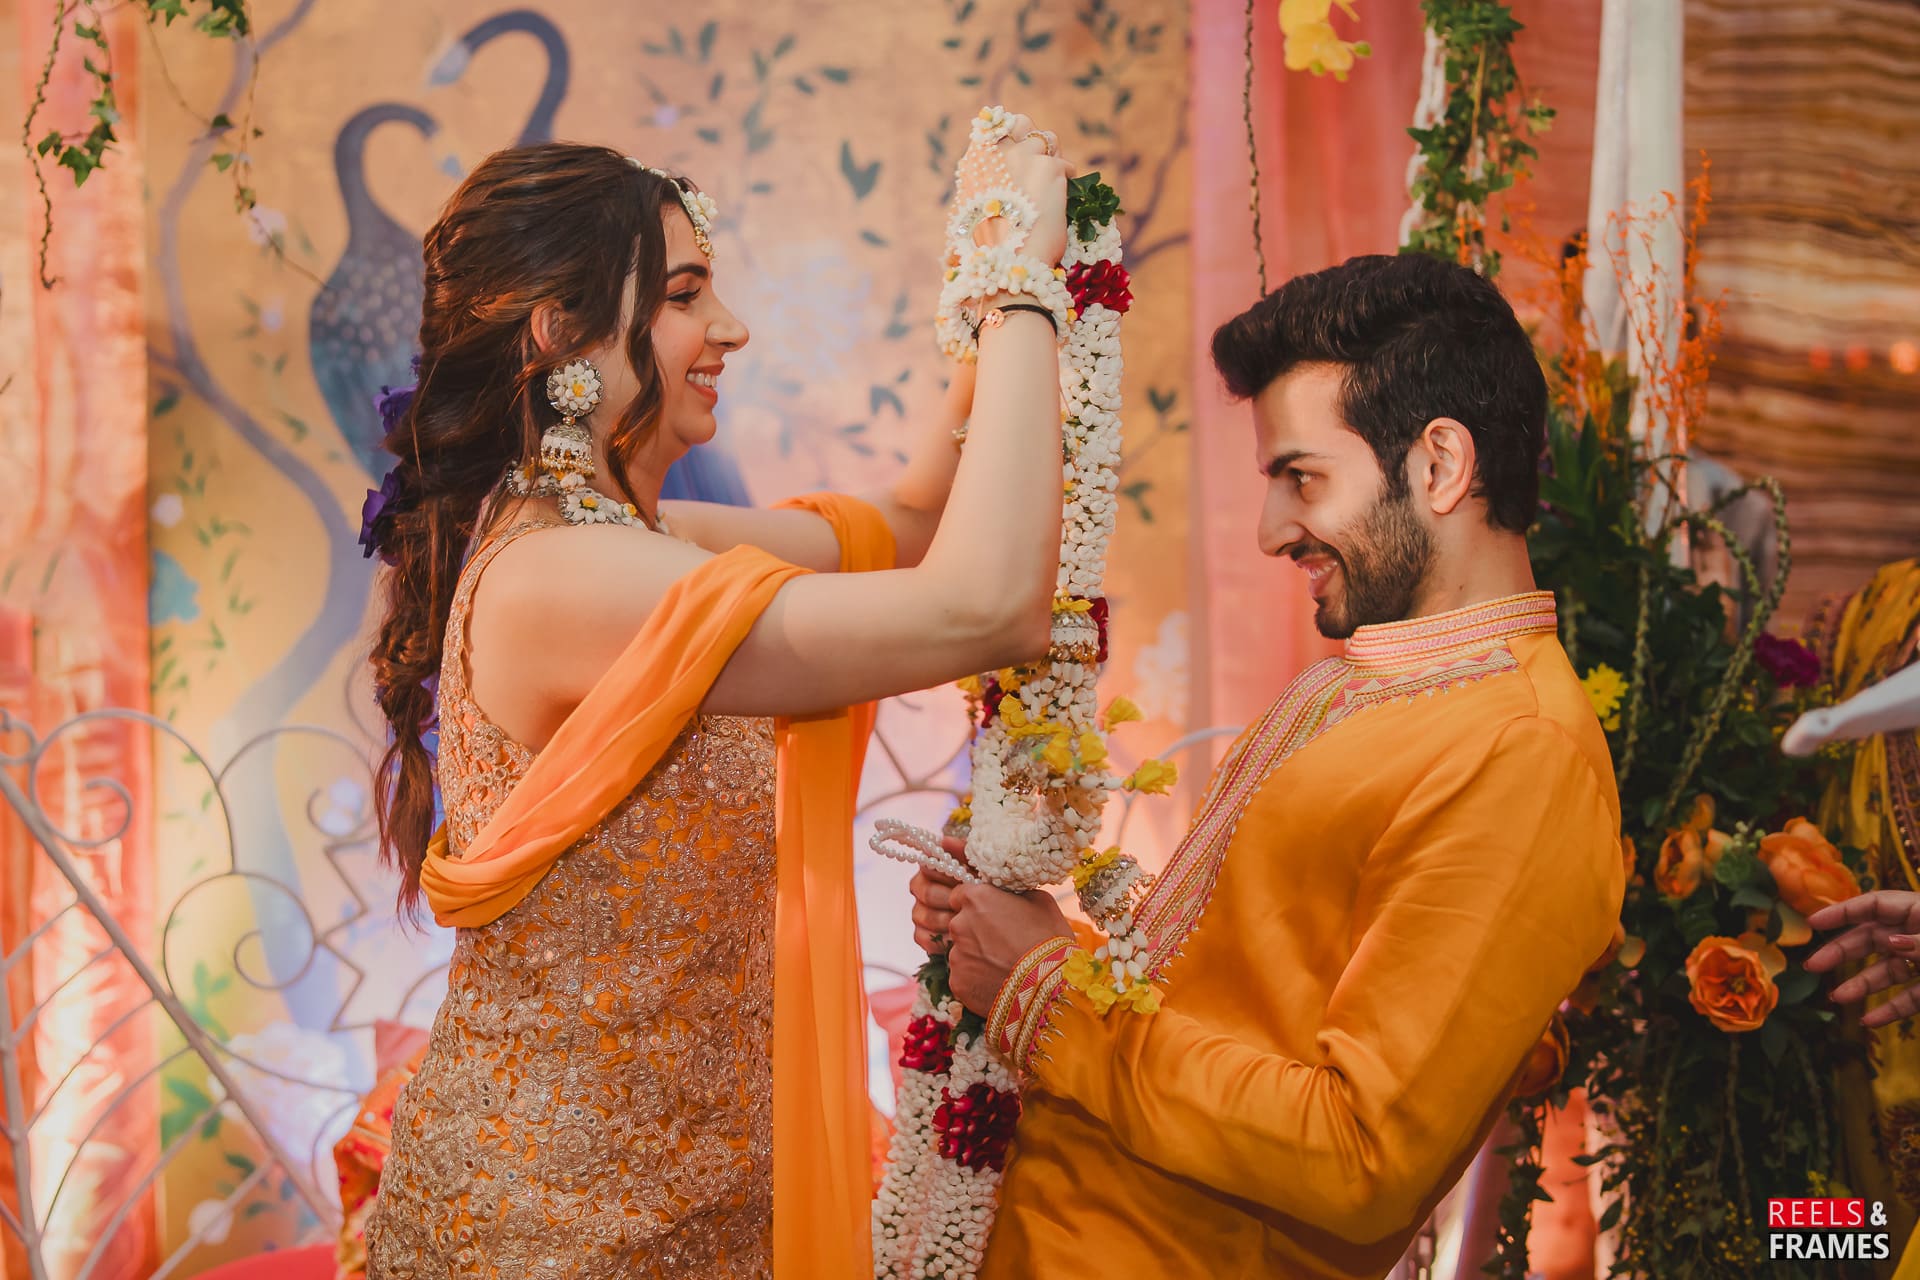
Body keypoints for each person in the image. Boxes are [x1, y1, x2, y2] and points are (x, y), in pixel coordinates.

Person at [361, 128, 1071, 1279]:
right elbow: (987, 608)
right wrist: (1024, 284)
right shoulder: (564, 578)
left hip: (712, 1204)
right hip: (559, 1234)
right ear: (559, 332)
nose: (729, 328)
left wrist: (985, 290)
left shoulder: (643, 541)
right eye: (687, 294)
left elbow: (910, 529)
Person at [911, 252, 1627, 1277]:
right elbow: (1229, 1006)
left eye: (1302, 478)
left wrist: (1043, 991)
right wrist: (1016, 935)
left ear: (1439, 465)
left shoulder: (1523, 753)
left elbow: (1358, 1152)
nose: (1270, 531)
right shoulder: (1362, 684)